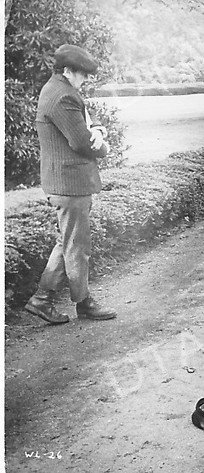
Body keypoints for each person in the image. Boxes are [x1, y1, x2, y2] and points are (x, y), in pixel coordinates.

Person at [25, 44, 117, 325]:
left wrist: (96, 129)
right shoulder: (63, 95)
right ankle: (84, 303)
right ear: (68, 71)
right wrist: (103, 148)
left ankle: (42, 300)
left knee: (67, 242)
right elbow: (81, 141)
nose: (86, 79)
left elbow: (84, 121)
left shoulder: (58, 90)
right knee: (77, 246)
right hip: (69, 182)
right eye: (83, 74)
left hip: (64, 181)